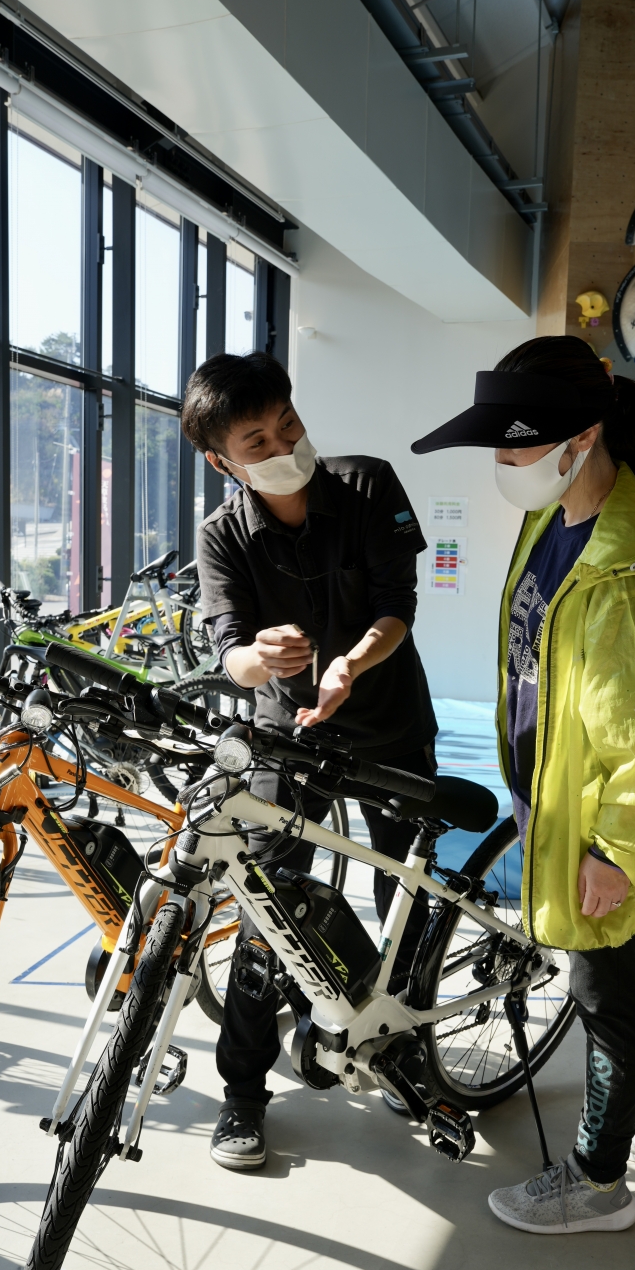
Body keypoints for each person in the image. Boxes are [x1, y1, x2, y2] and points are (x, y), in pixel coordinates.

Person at [411, 335, 635, 1234]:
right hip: (554, 794)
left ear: (580, 440)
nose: (503, 468)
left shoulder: (626, 579)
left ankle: (597, 1182)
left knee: (600, 992)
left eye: (513, 448)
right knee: (619, 972)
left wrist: (617, 853)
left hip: (606, 824)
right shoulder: (555, 522)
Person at [183, 351, 437, 1171]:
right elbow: (230, 657)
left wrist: (349, 663)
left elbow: (399, 606)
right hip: (288, 738)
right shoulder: (223, 535)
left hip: (390, 726)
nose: (285, 442)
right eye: (258, 439)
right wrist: (263, 657)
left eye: (288, 422)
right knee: (267, 905)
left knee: (407, 893)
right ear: (223, 460)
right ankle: (243, 1095)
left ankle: (406, 1050)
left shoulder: (368, 485)